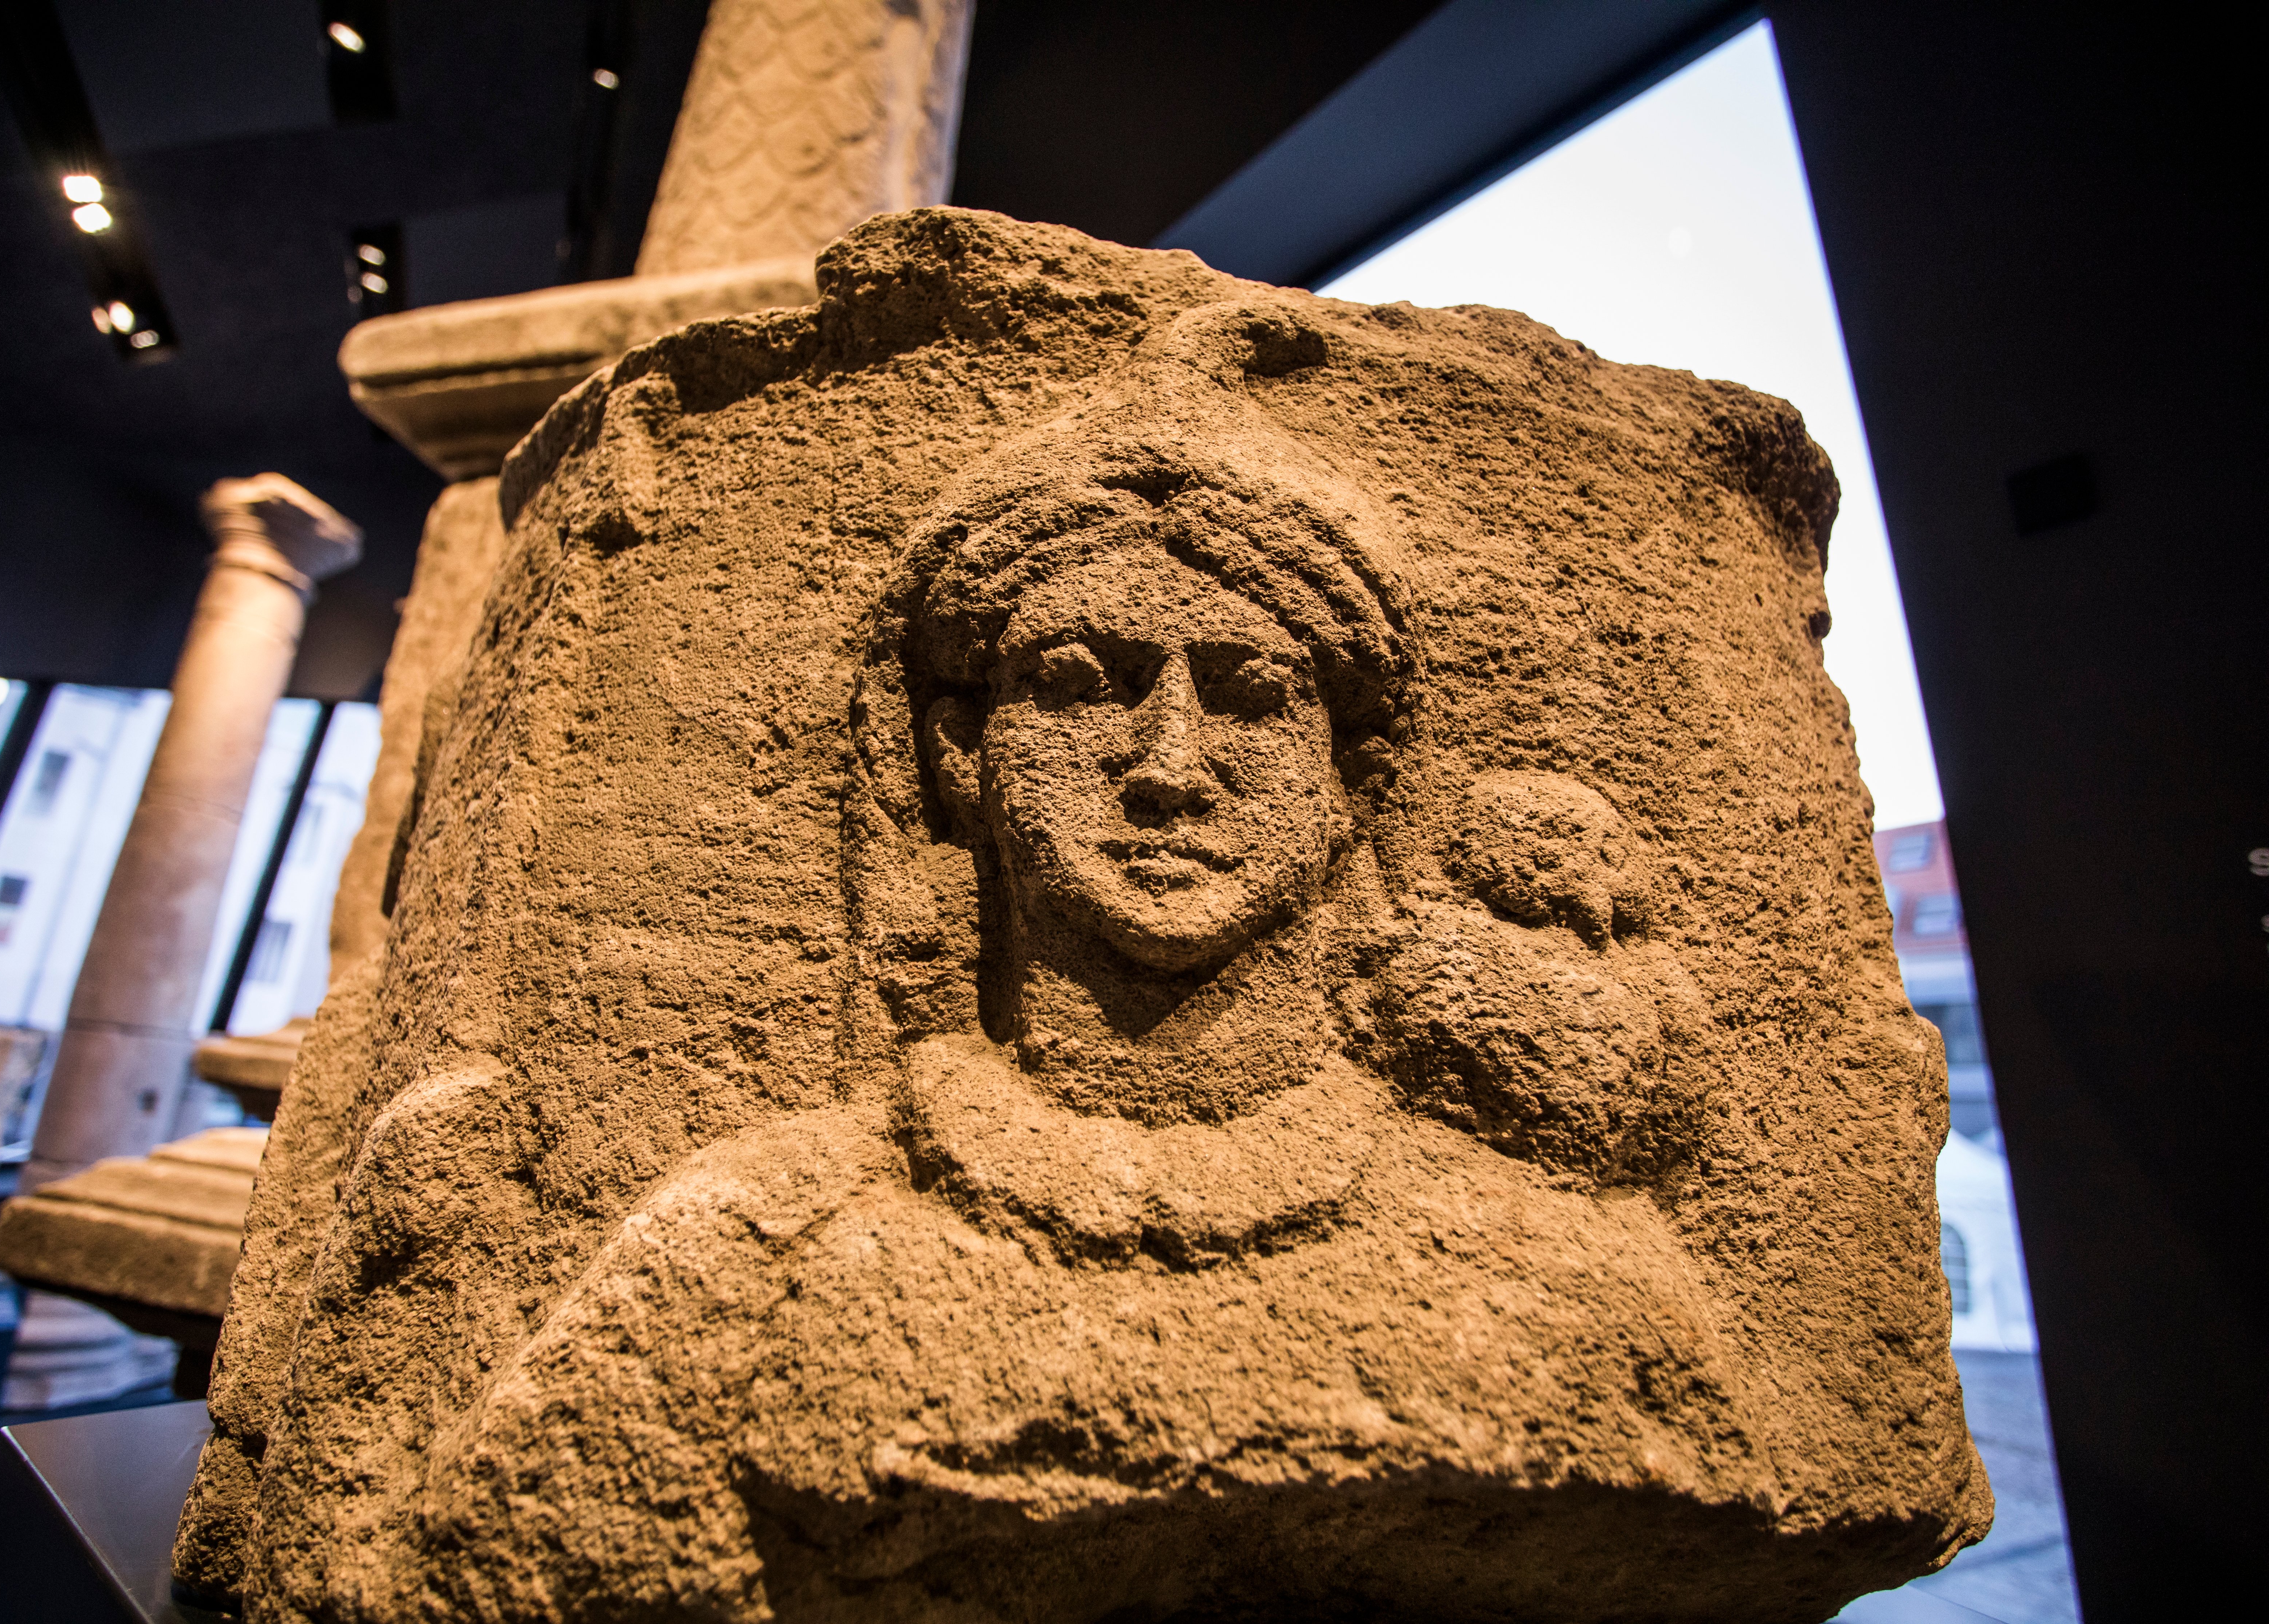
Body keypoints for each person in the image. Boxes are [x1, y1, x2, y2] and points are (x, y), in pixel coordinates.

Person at [409, 306, 1768, 1621]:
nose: (1171, 769)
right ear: (961, 756)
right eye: (1077, 684)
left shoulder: (1563, 1281)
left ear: (1349, 782)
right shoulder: (752, 1248)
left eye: (1250, 696)